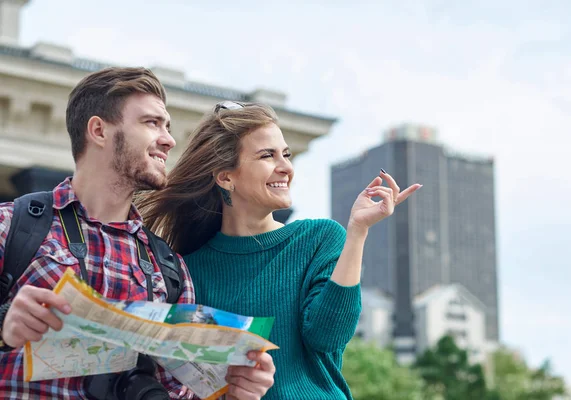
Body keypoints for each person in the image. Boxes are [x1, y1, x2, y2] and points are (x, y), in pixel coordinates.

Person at [0, 68, 275, 399]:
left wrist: (232, 393)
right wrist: (3, 325)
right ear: (99, 131)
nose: (169, 139)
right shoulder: (11, 227)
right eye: (152, 123)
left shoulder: (170, 270)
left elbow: (181, 393)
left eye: (168, 127)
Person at [137, 101, 422, 399]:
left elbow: (328, 337)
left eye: (286, 154)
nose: (286, 167)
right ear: (225, 177)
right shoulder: (189, 270)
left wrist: (358, 231)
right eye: (267, 155)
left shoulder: (320, 238)